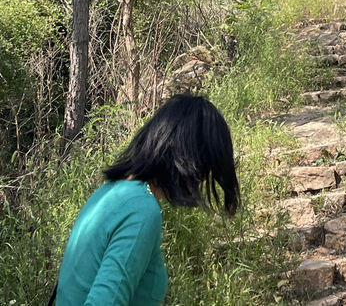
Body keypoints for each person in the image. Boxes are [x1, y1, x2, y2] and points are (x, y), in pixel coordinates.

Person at [53, 94, 240, 306]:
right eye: (206, 168)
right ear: (189, 158)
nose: (202, 178)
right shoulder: (141, 209)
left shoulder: (111, 191)